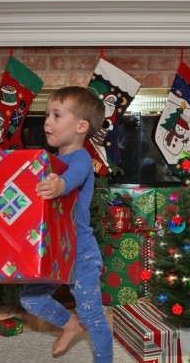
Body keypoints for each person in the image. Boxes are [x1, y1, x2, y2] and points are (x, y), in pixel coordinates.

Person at [20, 86, 113, 363]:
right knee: (30, 300)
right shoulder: (51, 161)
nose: (47, 121)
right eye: (47, 114)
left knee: (93, 316)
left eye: (57, 115)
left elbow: (72, 178)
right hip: (55, 250)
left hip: (81, 253)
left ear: (81, 126)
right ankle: (69, 324)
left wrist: (59, 184)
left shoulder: (81, 158)